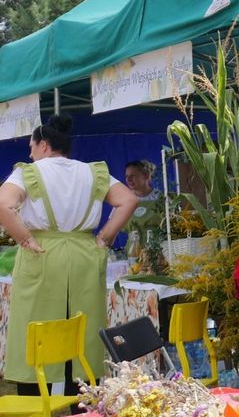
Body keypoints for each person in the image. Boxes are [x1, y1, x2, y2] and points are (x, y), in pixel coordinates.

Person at [0, 115, 139, 394]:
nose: (29, 153)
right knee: (83, 327)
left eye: (31, 146)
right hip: (84, 252)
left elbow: (3, 203)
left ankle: (35, 407)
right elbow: (129, 199)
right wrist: (105, 237)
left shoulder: (29, 172)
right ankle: (82, 404)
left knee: (36, 326)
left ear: (44, 145)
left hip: (42, 251)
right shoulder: (93, 172)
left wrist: (25, 239)